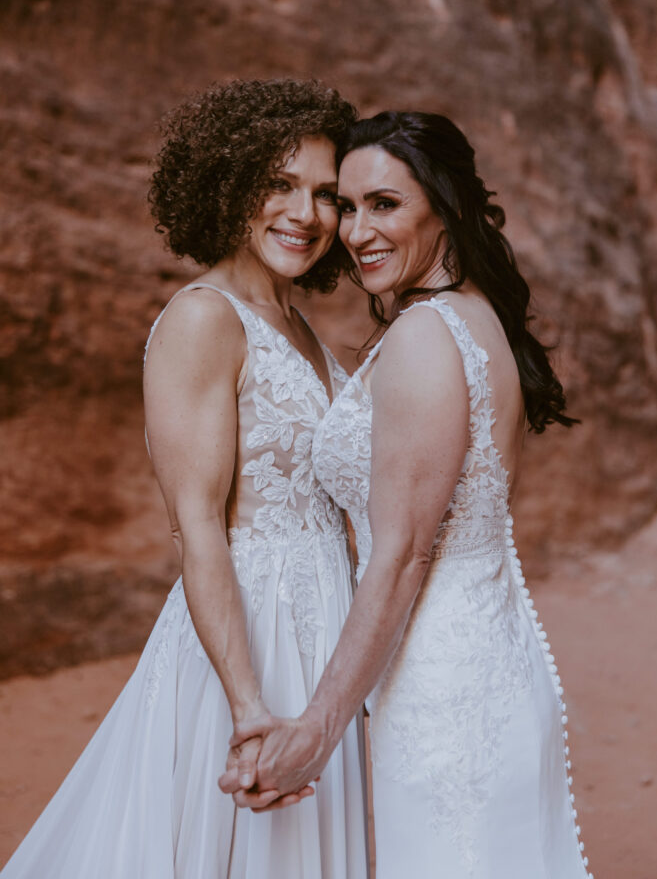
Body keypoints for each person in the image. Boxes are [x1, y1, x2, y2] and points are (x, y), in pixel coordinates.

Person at [2, 80, 368, 879]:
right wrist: (246, 705)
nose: (303, 214)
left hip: (324, 618)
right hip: (250, 637)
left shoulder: (299, 325)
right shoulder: (205, 319)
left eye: (324, 194)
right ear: (227, 183)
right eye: (278, 184)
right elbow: (196, 524)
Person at [223, 111, 595, 879]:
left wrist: (315, 733)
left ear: (445, 204)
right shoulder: (469, 318)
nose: (355, 232)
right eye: (348, 207)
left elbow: (399, 555)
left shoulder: (428, 335)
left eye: (383, 204)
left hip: (444, 691)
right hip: (474, 658)